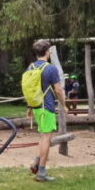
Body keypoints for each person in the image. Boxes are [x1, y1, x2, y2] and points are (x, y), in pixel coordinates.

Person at [25, 39, 67, 182]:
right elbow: (58, 90)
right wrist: (64, 105)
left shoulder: (30, 67)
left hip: (36, 107)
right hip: (46, 107)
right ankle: (41, 173)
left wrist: (29, 107)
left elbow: (30, 89)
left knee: (43, 137)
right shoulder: (50, 68)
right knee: (46, 139)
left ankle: (37, 162)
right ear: (47, 52)